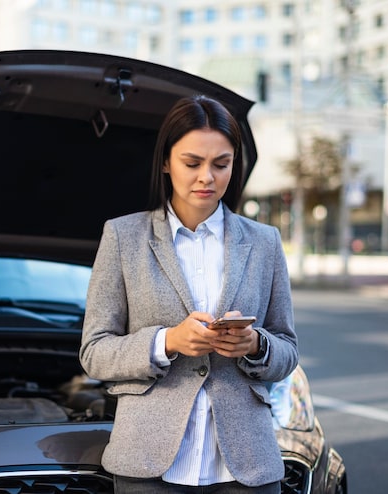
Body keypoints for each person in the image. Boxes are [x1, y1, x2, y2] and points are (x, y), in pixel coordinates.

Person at [79, 94, 299, 494]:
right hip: (149, 464)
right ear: (165, 161)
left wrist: (255, 345)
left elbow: (287, 351)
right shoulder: (123, 237)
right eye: (192, 163)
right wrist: (168, 341)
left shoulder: (265, 243)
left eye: (221, 164)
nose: (207, 178)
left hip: (245, 466)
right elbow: (94, 352)